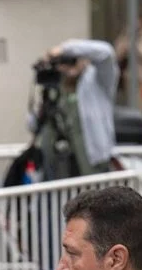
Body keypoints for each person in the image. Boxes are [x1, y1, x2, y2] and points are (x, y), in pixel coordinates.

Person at [31, 39, 119, 179]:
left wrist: (64, 49)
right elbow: (32, 125)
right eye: (63, 62)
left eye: (73, 60)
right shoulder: (55, 89)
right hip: (60, 169)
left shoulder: (97, 81)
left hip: (92, 164)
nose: (68, 66)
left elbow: (107, 53)